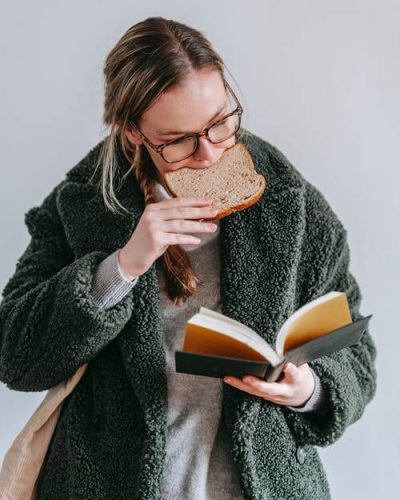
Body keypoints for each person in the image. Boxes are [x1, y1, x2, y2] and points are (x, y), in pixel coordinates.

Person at [0, 16, 377, 500]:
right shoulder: (82, 204)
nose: (209, 153)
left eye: (220, 121)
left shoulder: (291, 204)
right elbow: (16, 355)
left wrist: (308, 391)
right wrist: (122, 266)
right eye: (178, 140)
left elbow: (358, 359)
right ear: (132, 131)